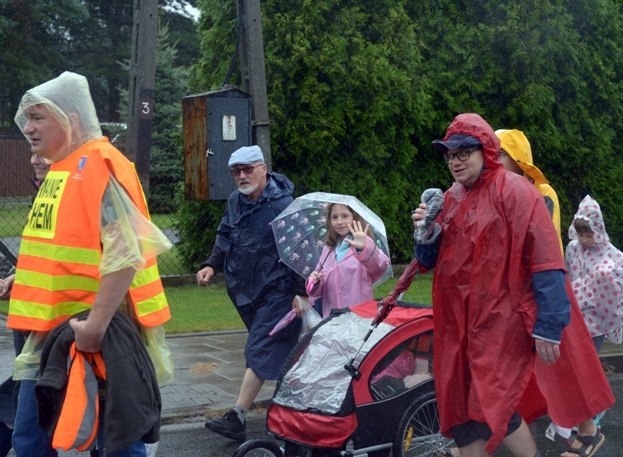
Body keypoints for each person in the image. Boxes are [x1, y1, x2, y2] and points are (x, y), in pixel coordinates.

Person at [412, 113, 614, 457]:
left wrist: (550, 324)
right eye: (450, 155)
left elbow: (546, 259)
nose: (455, 162)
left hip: (498, 320)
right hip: (456, 324)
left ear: (486, 151)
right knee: (460, 408)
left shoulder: (518, 193)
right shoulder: (452, 197)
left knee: (489, 404)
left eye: (463, 153)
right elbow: (430, 260)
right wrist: (426, 234)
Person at [7, 71, 172, 457]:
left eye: (37, 117)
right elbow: (66, 240)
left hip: (95, 330)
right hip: (56, 328)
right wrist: (23, 275)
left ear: (71, 119)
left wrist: (95, 327)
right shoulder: (64, 167)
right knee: (35, 436)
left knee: (115, 437)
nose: (27, 128)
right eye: (27, 118)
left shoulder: (97, 163)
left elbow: (126, 251)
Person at [196, 145, 308, 442]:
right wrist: (211, 264)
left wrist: (300, 292)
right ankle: (301, 408)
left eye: (248, 169)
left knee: (258, 348)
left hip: (279, 292)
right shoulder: (236, 200)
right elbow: (224, 234)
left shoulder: (284, 204)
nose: (242, 176)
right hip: (246, 293)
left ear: (263, 168)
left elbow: (299, 251)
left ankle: (238, 416)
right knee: (279, 351)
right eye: (236, 171)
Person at [0, 150, 51, 457]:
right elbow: (42, 252)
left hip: (59, 326)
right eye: (32, 153)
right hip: (31, 320)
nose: (34, 160)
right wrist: (17, 276)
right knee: (28, 414)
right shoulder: (43, 197)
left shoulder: (73, 192)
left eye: (42, 154)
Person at [566, 196, 623, 353]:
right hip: (574, 313)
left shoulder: (612, 254)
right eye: (581, 235)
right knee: (576, 355)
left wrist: (603, 276)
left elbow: (621, 284)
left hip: (597, 315)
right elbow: (567, 274)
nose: (584, 240)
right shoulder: (573, 248)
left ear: (598, 230)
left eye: (589, 236)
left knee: (591, 354)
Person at [305, 204, 390, 318]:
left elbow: (381, 265)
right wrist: (315, 282)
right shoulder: (328, 248)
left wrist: (364, 248)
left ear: (354, 218)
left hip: (358, 314)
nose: (339, 222)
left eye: (345, 216)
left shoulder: (363, 244)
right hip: (332, 316)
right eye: (334, 217)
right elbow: (319, 285)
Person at [495, 129, 562, 250]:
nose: (494, 162)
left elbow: (546, 245)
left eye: (500, 155)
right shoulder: (488, 193)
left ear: (518, 159)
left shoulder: (544, 193)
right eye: (490, 156)